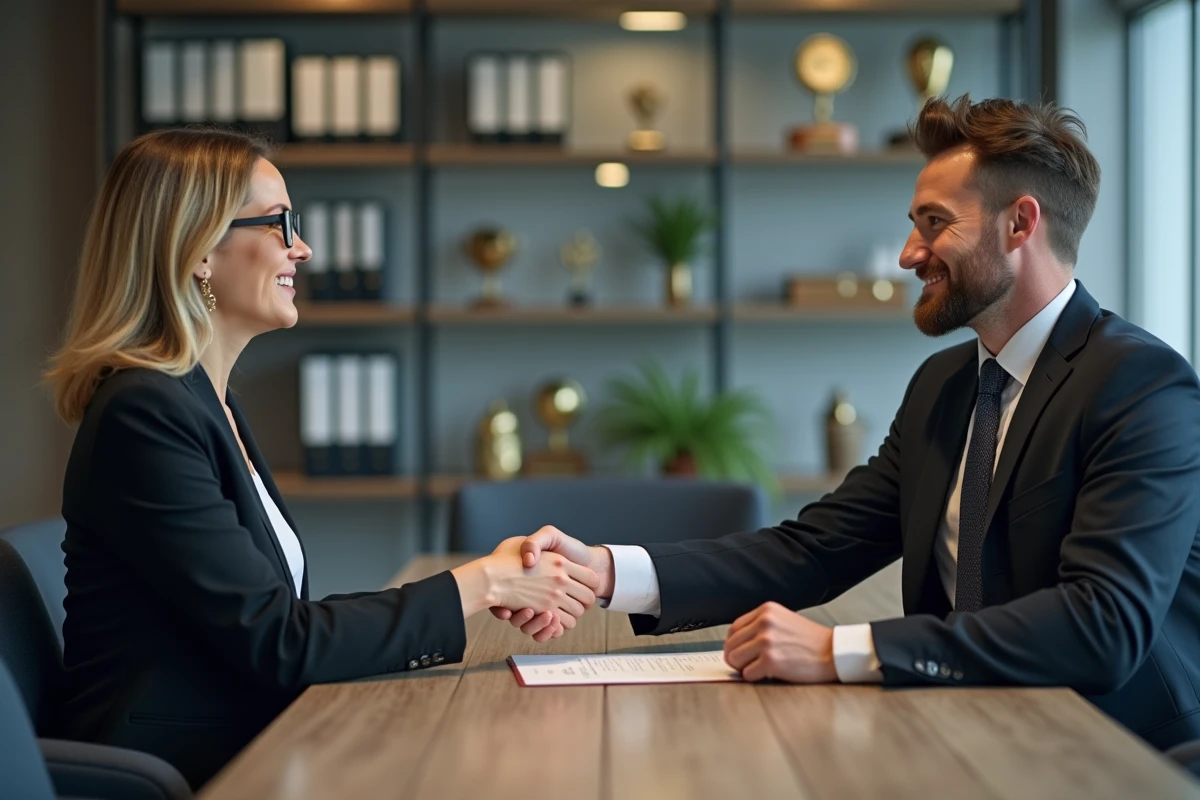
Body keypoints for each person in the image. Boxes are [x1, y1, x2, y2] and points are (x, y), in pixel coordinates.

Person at [500, 95, 1200, 751]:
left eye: (935, 223)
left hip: (1115, 748)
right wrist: (605, 573)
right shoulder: (944, 386)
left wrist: (839, 649)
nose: (909, 254)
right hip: (958, 729)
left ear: (1019, 224)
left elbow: (1103, 626)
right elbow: (814, 549)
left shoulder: (1140, 385)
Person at [45, 128, 599, 789]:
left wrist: (481, 586)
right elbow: (282, 643)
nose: (302, 249)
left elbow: (281, 623)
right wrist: (485, 584)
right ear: (198, 250)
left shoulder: (206, 405)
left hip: (252, 740)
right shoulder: (145, 415)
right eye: (280, 223)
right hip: (192, 771)